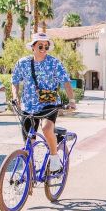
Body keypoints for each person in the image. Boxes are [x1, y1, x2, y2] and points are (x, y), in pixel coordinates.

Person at [10, 33, 77, 172]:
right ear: (33, 47)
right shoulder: (23, 63)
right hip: (28, 106)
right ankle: (28, 169)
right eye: (40, 46)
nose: (44, 49)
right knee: (29, 139)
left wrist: (71, 101)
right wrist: (15, 96)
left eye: (46, 46)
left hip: (49, 103)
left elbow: (66, 82)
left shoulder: (54, 62)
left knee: (47, 129)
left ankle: (54, 160)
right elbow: (15, 81)